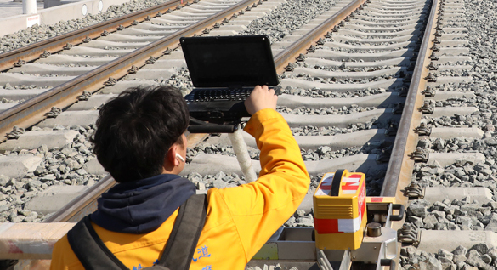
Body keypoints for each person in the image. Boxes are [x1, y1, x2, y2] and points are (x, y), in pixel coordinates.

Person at [50, 84, 309, 269]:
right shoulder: (223, 215)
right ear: (175, 155)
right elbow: (291, 177)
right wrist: (264, 114)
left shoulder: (73, 249)